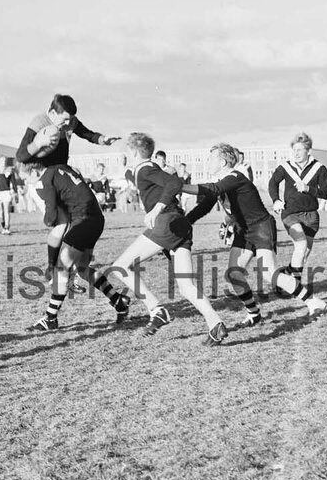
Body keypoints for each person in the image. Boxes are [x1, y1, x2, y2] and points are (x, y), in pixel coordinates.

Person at [182, 143, 327, 326]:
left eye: (211, 158)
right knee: (233, 274)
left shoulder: (235, 177)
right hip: (244, 230)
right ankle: (254, 313)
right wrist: (184, 223)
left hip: (261, 227)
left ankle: (313, 302)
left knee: (269, 274)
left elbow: (213, 189)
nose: (207, 162)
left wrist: (180, 186)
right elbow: (202, 208)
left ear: (223, 161)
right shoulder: (221, 183)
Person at [105, 133, 228, 345]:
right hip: (181, 225)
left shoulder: (145, 169)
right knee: (186, 286)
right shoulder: (143, 170)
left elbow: (174, 182)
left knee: (121, 267)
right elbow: (150, 179)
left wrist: (156, 209)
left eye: (127, 151)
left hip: (167, 222)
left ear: (134, 152)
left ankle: (157, 309)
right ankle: (215, 324)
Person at [14, 93, 120, 274]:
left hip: (61, 177)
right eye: (64, 120)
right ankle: (52, 269)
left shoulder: (70, 121)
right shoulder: (39, 122)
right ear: (52, 112)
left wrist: (103, 140)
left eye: (70, 120)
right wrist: (39, 143)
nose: (67, 124)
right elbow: (21, 155)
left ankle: (66, 269)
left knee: (75, 222)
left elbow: (86, 133)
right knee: (61, 222)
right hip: (43, 179)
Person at [27, 162, 131, 331]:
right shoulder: (62, 168)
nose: (27, 182)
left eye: (25, 177)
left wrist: (51, 262)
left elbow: (52, 220)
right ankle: (118, 300)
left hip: (83, 220)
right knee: (82, 269)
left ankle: (50, 318)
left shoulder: (44, 180)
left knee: (62, 267)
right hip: (95, 218)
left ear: (33, 171)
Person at [268, 131, 327, 283]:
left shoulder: (319, 168)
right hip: (290, 213)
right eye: (294, 150)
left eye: (299, 150)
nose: (296, 153)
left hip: (311, 216)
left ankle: (287, 275)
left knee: (303, 253)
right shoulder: (286, 167)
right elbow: (273, 183)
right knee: (301, 244)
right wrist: (276, 200)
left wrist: (308, 189)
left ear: (308, 151)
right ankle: (296, 286)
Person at [0, 157, 19, 234]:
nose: (4, 162)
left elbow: (14, 182)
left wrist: (15, 192)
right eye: (2, 160)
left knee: (6, 210)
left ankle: (7, 227)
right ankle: (3, 225)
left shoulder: (9, 169)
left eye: (5, 160)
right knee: (1, 212)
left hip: (6, 192)